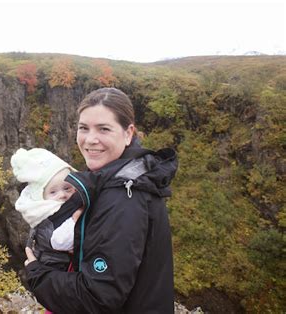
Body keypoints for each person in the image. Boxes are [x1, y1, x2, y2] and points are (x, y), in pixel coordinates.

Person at [24, 87, 178, 313]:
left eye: (104, 129)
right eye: (83, 128)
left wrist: (38, 274)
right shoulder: (125, 178)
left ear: (128, 133)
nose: (90, 139)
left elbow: (96, 298)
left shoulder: (124, 197)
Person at [11, 148, 83, 271]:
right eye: (53, 192)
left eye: (67, 188)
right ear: (41, 197)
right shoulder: (46, 219)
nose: (62, 195)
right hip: (57, 272)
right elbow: (60, 241)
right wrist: (75, 219)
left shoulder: (65, 208)